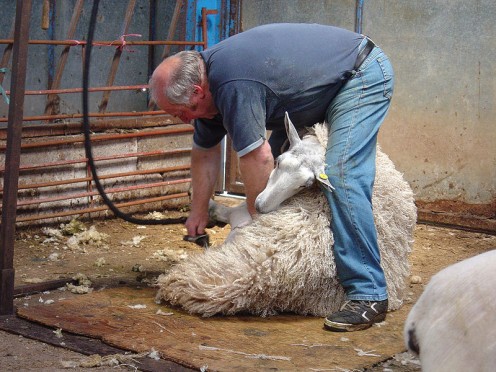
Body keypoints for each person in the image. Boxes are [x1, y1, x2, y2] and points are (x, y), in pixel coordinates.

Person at [149, 23, 394, 332]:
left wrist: (259, 226)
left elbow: (258, 157)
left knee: (341, 175)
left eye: (179, 113)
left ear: (197, 93)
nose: (182, 120)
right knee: (281, 179)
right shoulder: (208, 90)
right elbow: (204, 151)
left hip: (359, 76)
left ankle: (369, 293)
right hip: (307, 95)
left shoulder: (232, 83)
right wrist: (198, 211)